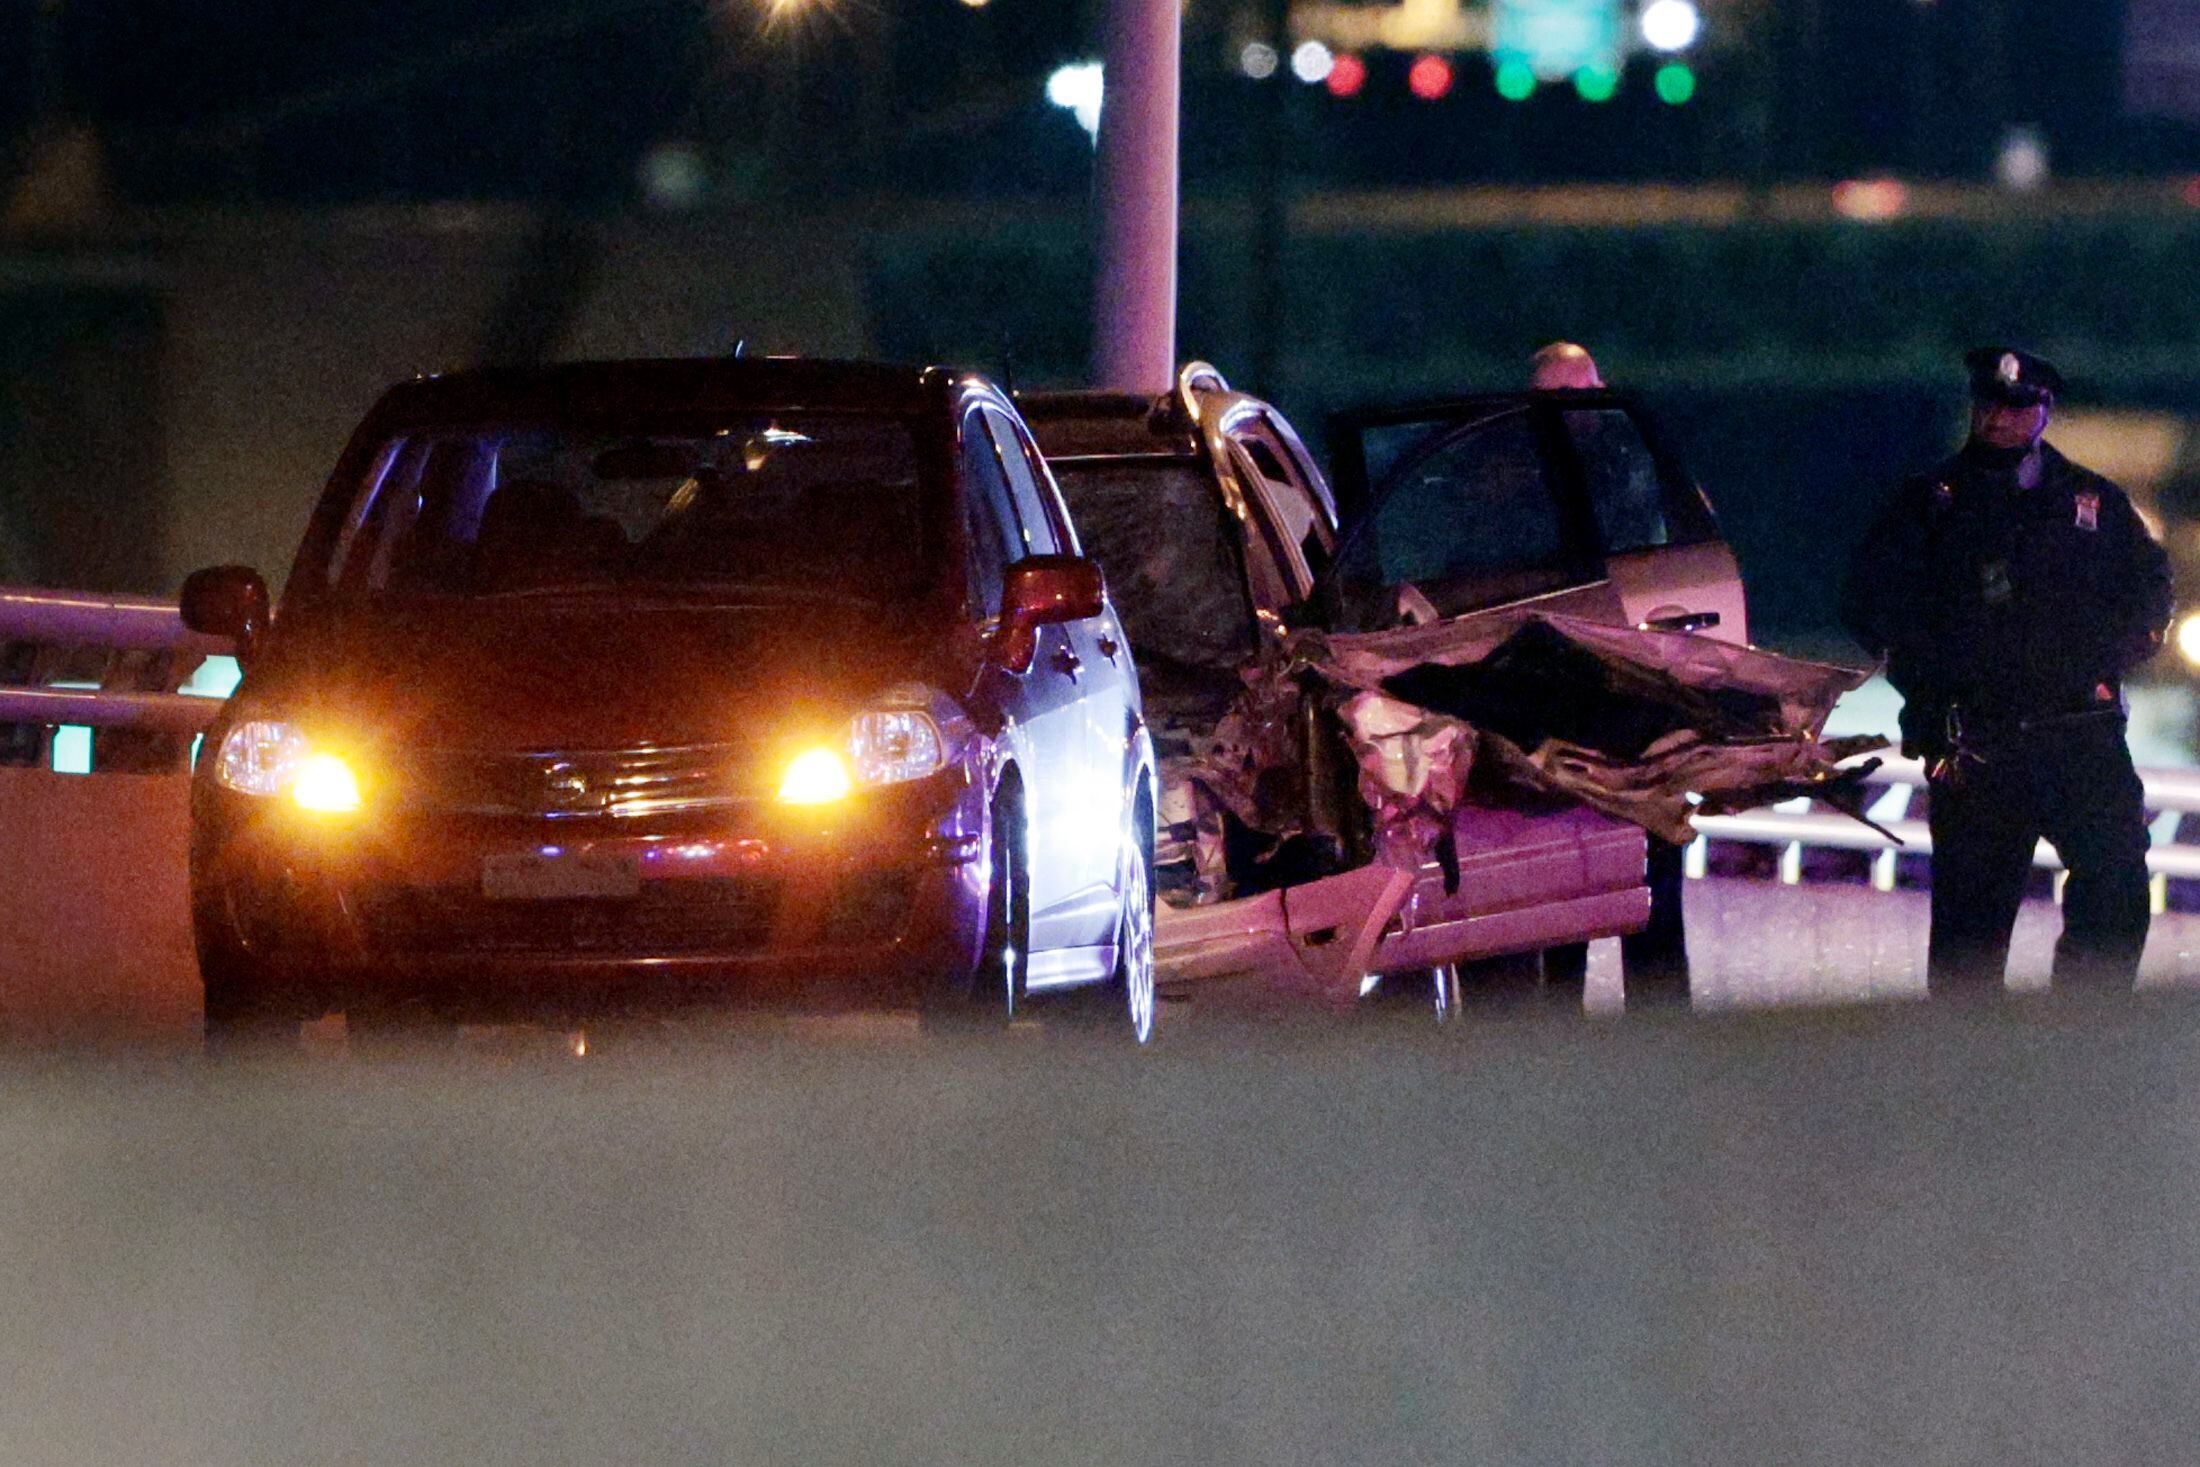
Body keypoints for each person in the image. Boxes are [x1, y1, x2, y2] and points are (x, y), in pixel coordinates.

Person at [1841, 347, 2173, 993]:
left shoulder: (2090, 500)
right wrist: (1932, 685)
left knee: (2116, 883)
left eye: (2016, 407)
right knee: (1972, 931)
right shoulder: (1932, 504)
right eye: (1988, 404)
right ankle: (1971, 1070)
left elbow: (2148, 583)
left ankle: (2083, 1032)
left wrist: (2116, 655)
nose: (1998, 419)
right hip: (1980, 738)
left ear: (2044, 411)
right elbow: (1870, 601)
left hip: (2079, 728)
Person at [1527, 341, 1690, 1001]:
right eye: (1558, 399)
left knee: (1653, 890)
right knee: (1563, 896)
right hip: (1556, 710)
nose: (1575, 413)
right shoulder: (1509, 477)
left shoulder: (1637, 466)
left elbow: (1676, 569)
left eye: (1582, 393)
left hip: (1637, 705)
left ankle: (1661, 1042)